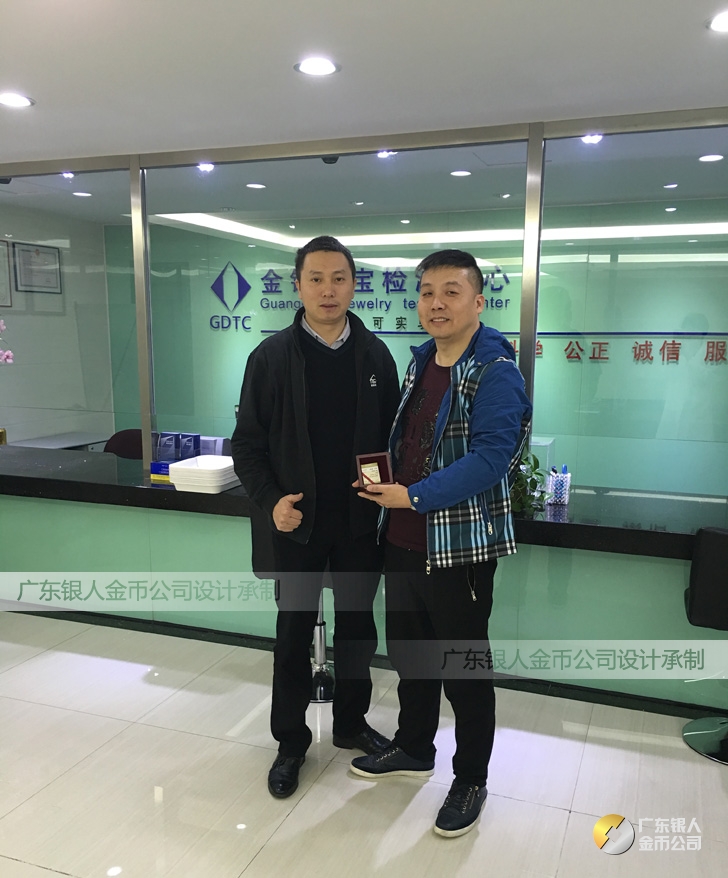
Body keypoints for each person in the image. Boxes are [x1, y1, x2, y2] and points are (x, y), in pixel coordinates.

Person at [349, 249, 532, 837]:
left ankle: (471, 777)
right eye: (427, 292)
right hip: (403, 539)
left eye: (451, 292)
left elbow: (491, 459)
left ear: (478, 301)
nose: (436, 303)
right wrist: (383, 484)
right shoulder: (422, 361)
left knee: (465, 672)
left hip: (459, 550)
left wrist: (414, 495)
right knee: (411, 659)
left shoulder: (494, 370)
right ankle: (413, 747)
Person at [231, 235, 400, 799]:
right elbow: (246, 445)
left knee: (357, 631)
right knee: (292, 635)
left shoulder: (376, 356)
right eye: (316, 279)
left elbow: (392, 441)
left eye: (339, 279)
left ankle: (351, 723)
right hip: (297, 524)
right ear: (298, 285)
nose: (328, 290)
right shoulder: (271, 357)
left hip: (359, 523)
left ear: (354, 285)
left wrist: (386, 490)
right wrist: (271, 499)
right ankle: (290, 742)